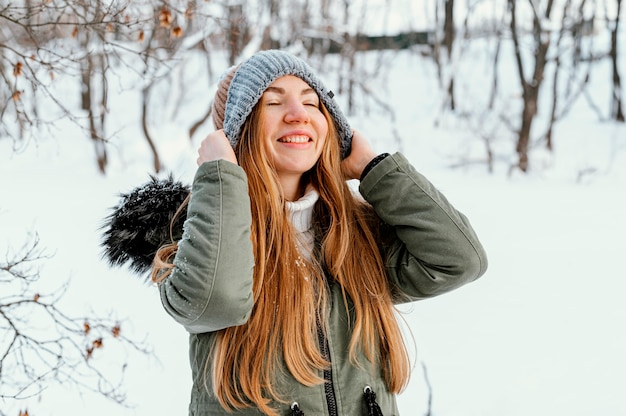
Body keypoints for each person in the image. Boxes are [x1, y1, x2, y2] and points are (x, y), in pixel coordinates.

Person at [148, 50, 487, 416]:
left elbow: (460, 261)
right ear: (235, 132)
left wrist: (373, 169)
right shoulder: (207, 237)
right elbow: (216, 301)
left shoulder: (355, 235)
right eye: (273, 102)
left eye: (312, 102)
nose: (299, 114)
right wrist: (220, 175)